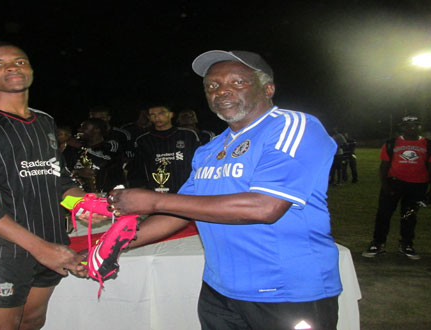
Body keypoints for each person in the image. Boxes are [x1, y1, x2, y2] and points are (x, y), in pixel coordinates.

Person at [108, 50, 342, 329]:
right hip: (219, 290)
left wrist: (154, 201)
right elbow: (180, 210)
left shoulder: (294, 127)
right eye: (212, 86)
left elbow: (265, 207)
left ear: (268, 89)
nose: (222, 91)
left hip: (286, 290)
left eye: (238, 82)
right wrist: (109, 248)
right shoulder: (210, 148)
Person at [0, 41, 99, 330]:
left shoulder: (44, 121)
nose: (12, 67)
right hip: (2, 248)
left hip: (52, 240)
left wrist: (81, 204)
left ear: (31, 69)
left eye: (19, 61)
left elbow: (57, 177)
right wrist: (38, 247)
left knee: (33, 320)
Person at [362, 115, 431, 260]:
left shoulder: (429, 144)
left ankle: (406, 244)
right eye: (407, 125)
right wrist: (385, 186)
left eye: (415, 125)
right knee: (384, 214)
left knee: (409, 216)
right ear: (402, 127)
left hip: (417, 185)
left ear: (419, 127)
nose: (411, 128)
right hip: (394, 183)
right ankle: (378, 243)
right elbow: (384, 166)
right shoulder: (391, 143)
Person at [127, 105, 200, 193]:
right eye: (152, 115)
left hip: (186, 190)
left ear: (171, 114)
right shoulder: (143, 140)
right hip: (156, 192)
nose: (157, 117)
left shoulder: (188, 135)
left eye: (161, 113)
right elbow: (138, 168)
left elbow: (199, 162)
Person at [71, 118, 125, 193]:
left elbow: (105, 165)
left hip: (107, 195)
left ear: (97, 130)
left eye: (85, 128)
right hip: (79, 194)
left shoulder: (110, 148)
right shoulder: (76, 149)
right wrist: (76, 172)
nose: (80, 130)